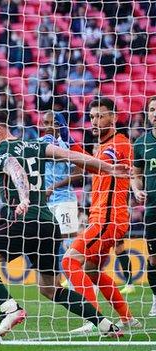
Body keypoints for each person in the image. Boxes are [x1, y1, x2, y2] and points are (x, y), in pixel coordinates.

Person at [0, 110, 126, 338]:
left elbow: (14, 168)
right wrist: (107, 168)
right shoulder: (36, 146)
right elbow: (70, 156)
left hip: (25, 222)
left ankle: (10, 308)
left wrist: (24, 197)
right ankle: (105, 324)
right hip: (48, 226)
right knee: (50, 288)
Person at [62, 98, 140, 334]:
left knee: (69, 261)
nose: (95, 121)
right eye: (93, 116)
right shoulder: (103, 146)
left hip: (108, 219)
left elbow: (95, 166)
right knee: (92, 270)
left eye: (101, 116)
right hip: (105, 218)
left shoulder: (118, 144)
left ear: (114, 117)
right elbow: (93, 165)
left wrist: (69, 144)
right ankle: (128, 318)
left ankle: (92, 319)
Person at [38, 111, 82, 286]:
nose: (47, 126)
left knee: (68, 239)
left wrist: (53, 187)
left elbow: (79, 172)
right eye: (44, 122)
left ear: (59, 124)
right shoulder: (40, 144)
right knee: (52, 241)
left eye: (51, 122)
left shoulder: (68, 145)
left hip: (64, 199)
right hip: (46, 202)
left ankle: (76, 283)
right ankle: (57, 281)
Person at [131, 96, 156, 317]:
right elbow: (135, 174)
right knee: (154, 257)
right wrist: (137, 189)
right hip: (153, 209)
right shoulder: (141, 144)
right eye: (151, 110)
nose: (155, 113)